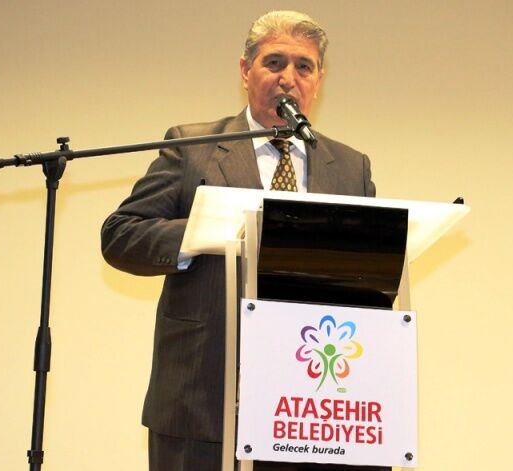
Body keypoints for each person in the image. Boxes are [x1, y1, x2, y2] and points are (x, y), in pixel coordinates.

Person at [101, 10, 379, 471]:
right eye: (274, 62)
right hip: (202, 397)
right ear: (246, 70)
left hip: (310, 407)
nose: (288, 78)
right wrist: (206, 231)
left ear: (318, 80)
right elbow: (121, 234)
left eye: (304, 66)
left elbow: (369, 277)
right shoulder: (193, 147)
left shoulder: (351, 168)